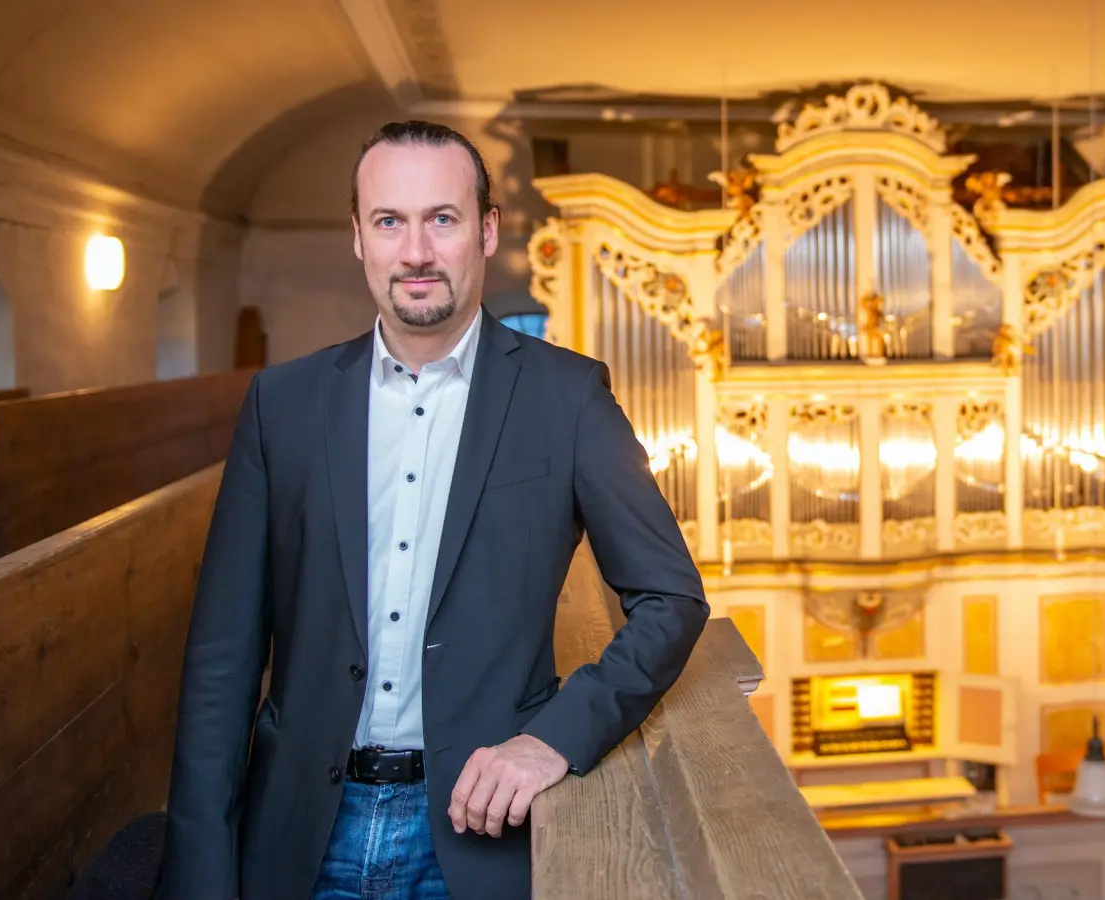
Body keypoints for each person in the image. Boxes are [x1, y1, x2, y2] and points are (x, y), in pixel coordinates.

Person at [158, 120, 710, 900]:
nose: (415, 251)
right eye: (390, 221)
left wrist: (553, 740)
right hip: (296, 834)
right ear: (359, 237)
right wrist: (199, 880)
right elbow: (222, 660)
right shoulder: (281, 405)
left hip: (477, 837)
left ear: (485, 232)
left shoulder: (568, 398)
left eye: (442, 219)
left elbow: (672, 599)